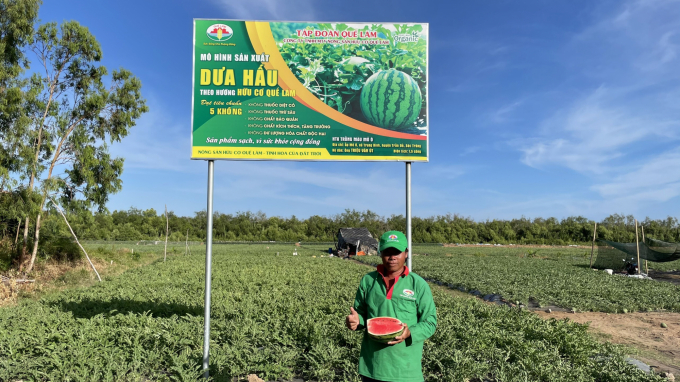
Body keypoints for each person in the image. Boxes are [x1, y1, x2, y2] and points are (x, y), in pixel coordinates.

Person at [346, 230, 437, 382]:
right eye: (387, 252)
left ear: (406, 253)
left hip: (406, 371)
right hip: (372, 368)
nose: (392, 257)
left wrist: (410, 333)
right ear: (381, 253)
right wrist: (356, 321)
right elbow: (361, 315)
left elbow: (430, 322)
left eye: (397, 252)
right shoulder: (368, 281)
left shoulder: (418, 284)